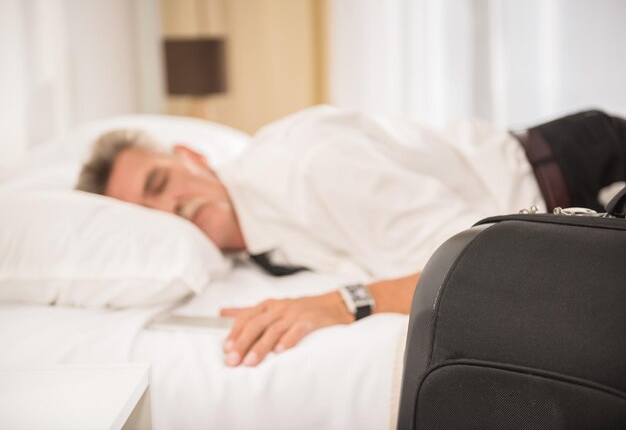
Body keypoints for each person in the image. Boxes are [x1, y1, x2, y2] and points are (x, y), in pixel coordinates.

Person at [75, 106, 626, 367]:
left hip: (585, 175)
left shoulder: (308, 167)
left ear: (192, 158)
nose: (170, 206)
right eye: (149, 213)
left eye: (158, 182)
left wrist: (344, 303)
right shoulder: (249, 240)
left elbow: (480, 265)